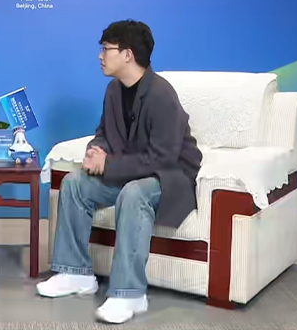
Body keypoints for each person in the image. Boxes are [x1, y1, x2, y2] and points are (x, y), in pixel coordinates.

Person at [36, 20, 202, 324]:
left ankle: (130, 294)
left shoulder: (162, 95)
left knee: (134, 193)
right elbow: (103, 132)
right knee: (74, 183)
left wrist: (109, 164)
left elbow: (163, 159)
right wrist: (95, 151)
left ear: (127, 54)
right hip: (131, 170)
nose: (100, 56)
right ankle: (75, 273)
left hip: (169, 177)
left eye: (106, 49)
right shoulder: (114, 90)